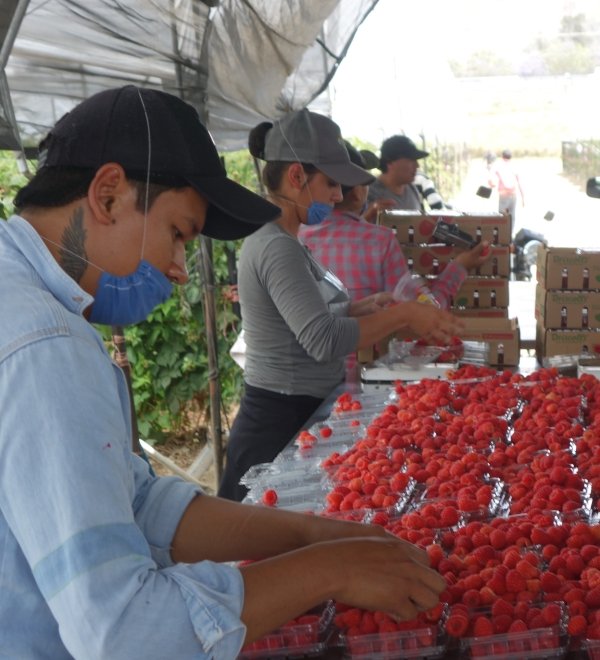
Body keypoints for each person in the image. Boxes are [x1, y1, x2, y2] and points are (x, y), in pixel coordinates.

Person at [0, 86, 446, 659]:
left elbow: (132, 503)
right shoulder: (45, 346)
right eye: (178, 234)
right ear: (108, 196)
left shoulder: (23, 302)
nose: (180, 270)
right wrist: (324, 569)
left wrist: (309, 534)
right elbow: (125, 635)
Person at [217, 110, 465, 502]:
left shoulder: (289, 240)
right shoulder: (276, 246)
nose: (338, 196)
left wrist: (357, 308)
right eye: (331, 183)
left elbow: (304, 320)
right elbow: (322, 339)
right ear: (297, 176)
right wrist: (403, 313)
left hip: (297, 410)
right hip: (277, 423)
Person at [300, 142, 488, 304]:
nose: (416, 166)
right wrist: (460, 266)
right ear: (357, 192)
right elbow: (424, 310)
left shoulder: (297, 235)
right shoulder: (380, 241)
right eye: (364, 180)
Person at [366, 134, 446, 214]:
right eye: (411, 160)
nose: (417, 165)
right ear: (390, 162)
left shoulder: (412, 189)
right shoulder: (368, 193)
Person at [488, 148, 525, 223]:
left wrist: (491, 185)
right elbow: (519, 182)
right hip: (513, 194)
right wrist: (523, 198)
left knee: (502, 216)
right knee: (512, 216)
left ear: (502, 156)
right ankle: (510, 233)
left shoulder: (498, 165)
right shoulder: (514, 166)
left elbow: (491, 180)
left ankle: (503, 233)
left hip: (503, 194)